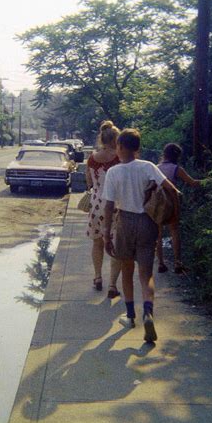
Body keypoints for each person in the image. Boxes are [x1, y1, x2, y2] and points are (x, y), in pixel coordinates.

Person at [102, 129, 179, 342]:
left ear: (120, 147)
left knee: (127, 271)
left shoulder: (114, 172)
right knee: (146, 274)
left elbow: (109, 206)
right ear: (137, 148)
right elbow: (172, 189)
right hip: (148, 222)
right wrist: (172, 213)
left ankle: (130, 316)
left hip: (125, 221)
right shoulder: (148, 167)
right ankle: (148, 312)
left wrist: (107, 234)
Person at [85, 120, 122, 299]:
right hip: (116, 205)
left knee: (97, 242)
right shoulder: (120, 158)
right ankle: (113, 285)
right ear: (116, 139)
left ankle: (98, 277)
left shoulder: (92, 158)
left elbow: (89, 182)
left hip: (96, 204)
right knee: (117, 245)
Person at [156, 143, 202, 275]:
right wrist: (210, 180)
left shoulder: (155, 168)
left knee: (158, 233)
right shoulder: (176, 168)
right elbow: (192, 182)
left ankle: (160, 263)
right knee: (174, 231)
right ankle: (177, 263)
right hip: (172, 202)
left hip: (158, 203)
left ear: (164, 154)